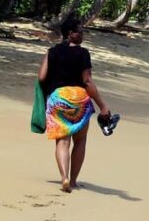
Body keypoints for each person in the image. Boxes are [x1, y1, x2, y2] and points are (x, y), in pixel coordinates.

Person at [38, 17, 109, 192]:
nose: (83, 35)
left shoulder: (52, 52)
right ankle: (74, 181)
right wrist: (102, 106)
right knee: (80, 141)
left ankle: (64, 178)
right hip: (79, 99)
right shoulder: (83, 53)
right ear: (70, 34)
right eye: (80, 31)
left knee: (62, 142)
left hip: (58, 99)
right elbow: (87, 81)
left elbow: (41, 77)